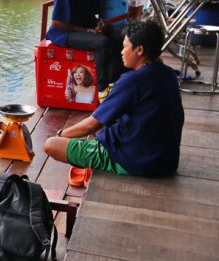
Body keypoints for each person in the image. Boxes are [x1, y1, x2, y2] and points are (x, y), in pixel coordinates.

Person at [44, 19, 184, 177]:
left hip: (137, 163)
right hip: (167, 161)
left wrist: (61, 134)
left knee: (52, 145)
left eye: (125, 47)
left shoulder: (133, 80)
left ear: (139, 50)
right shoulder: (169, 74)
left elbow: (90, 126)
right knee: (107, 128)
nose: (121, 52)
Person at [46, 0, 123, 92]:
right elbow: (56, 23)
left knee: (119, 35)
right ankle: (101, 88)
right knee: (102, 42)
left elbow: (94, 15)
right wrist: (87, 30)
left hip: (84, 28)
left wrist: (100, 23)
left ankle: (113, 80)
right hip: (64, 33)